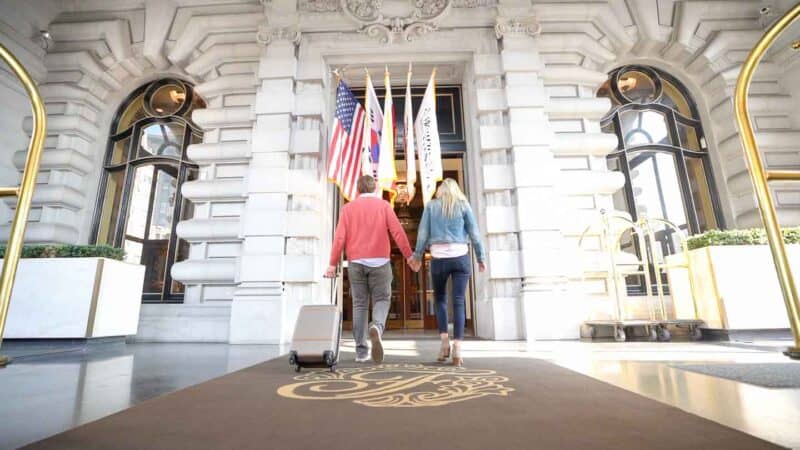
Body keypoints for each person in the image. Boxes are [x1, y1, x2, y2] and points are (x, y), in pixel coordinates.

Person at [325, 175, 415, 363]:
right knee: (382, 299)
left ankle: (361, 352)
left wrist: (332, 263)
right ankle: (377, 327)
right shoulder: (384, 206)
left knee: (359, 304)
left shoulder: (347, 209)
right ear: (375, 189)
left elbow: (339, 238)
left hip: (356, 262)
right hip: (380, 262)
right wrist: (408, 256)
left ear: (357, 190)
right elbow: (397, 232)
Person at [411, 179, 485, 367]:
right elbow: (475, 233)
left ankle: (445, 342)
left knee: (440, 299)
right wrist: (480, 257)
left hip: (438, 258)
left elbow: (422, 233)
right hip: (460, 257)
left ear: (440, 191)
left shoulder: (431, 206)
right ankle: (458, 348)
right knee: (459, 301)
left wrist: (418, 255)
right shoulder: (463, 205)